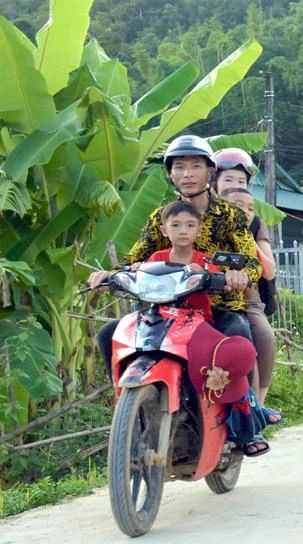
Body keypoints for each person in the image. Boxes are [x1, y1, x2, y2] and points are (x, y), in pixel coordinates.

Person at [88, 135, 270, 456]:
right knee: (108, 334)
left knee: (239, 335)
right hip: (165, 306)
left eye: (196, 166)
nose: (187, 173)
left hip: (217, 305)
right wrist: (110, 275)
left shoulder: (230, 215)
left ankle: (242, 421)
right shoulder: (161, 216)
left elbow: (251, 260)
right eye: (180, 167)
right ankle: (128, 410)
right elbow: (135, 258)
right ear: (170, 174)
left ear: (210, 172)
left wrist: (239, 275)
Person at [214, 148, 278, 405]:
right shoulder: (203, 217)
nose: (235, 186)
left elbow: (269, 270)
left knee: (263, 336)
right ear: (214, 183)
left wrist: (246, 236)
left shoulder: (254, 224)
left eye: (241, 182)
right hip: (203, 293)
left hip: (246, 299)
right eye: (228, 180)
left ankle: (258, 406)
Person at [144, 201, 220, 320]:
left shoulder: (205, 260)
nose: (183, 231)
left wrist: (204, 274)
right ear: (164, 230)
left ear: (199, 231)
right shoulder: (157, 258)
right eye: (175, 225)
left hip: (199, 319)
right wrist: (137, 269)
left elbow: (218, 279)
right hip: (161, 319)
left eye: (190, 225)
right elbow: (145, 277)